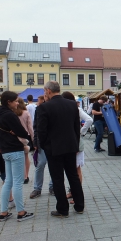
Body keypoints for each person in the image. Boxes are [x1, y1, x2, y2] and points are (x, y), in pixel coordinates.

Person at [37, 81, 84, 217]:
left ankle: (63, 209)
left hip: (53, 148)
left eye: (45, 91)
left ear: (48, 91)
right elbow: (76, 128)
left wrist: (45, 145)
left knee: (58, 179)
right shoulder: (72, 105)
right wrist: (75, 144)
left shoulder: (44, 107)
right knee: (73, 176)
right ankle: (79, 205)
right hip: (70, 146)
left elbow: (41, 131)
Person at [0, 91, 34, 222]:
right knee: (18, 182)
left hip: (5, 151)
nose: (18, 103)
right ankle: (21, 212)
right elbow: (23, 132)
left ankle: (4, 212)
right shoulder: (10, 115)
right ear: (9, 102)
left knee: (8, 182)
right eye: (16, 101)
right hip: (15, 150)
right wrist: (19, 133)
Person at [61, 91, 93, 204]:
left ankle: (76, 194)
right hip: (71, 142)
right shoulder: (69, 109)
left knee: (76, 169)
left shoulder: (76, 109)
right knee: (72, 169)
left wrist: (81, 132)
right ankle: (72, 191)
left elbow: (89, 119)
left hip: (77, 142)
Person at [29, 95, 54, 199]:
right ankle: (37, 188)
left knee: (54, 165)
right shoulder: (39, 109)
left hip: (53, 142)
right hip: (41, 143)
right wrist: (35, 142)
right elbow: (36, 127)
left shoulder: (54, 107)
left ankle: (52, 187)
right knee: (40, 164)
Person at [14, 97, 34, 184]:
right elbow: (30, 127)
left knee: (16, 157)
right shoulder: (26, 113)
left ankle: (18, 175)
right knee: (26, 156)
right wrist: (33, 139)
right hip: (25, 137)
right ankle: (26, 176)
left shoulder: (12, 113)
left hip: (14, 137)